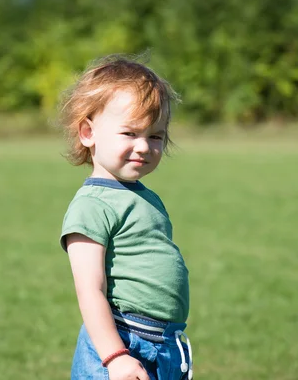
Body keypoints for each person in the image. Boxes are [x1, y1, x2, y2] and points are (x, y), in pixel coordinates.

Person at [59, 54, 192, 380]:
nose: (144, 146)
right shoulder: (92, 205)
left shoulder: (144, 196)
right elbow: (90, 289)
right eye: (130, 134)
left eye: (155, 136)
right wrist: (115, 356)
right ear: (88, 133)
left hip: (161, 345)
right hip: (123, 343)